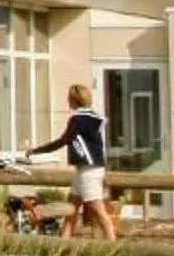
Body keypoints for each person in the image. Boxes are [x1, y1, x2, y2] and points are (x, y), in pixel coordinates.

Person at [23, 82, 116, 238]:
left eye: (69, 98)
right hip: (89, 169)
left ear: (74, 99)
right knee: (71, 209)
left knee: (98, 210)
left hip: (87, 170)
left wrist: (36, 151)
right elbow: (99, 146)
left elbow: (63, 141)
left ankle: (114, 245)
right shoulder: (95, 118)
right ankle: (64, 244)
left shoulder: (77, 119)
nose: (67, 100)